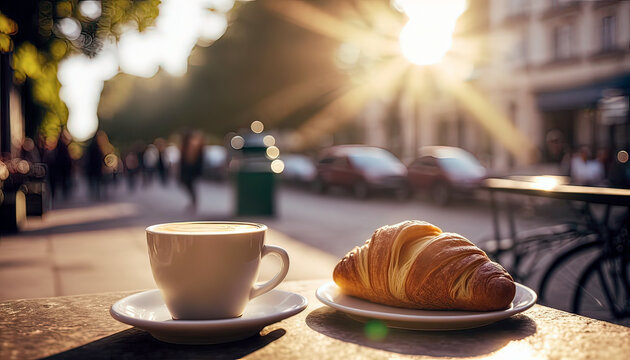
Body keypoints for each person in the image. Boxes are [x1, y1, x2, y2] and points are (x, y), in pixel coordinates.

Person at [179, 130, 204, 211]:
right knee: (186, 183)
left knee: (188, 183)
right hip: (188, 168)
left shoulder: (194, 144)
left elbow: (191, 158)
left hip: (190, 168)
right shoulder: (190, 144)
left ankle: (194, 201)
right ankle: (193, 201)